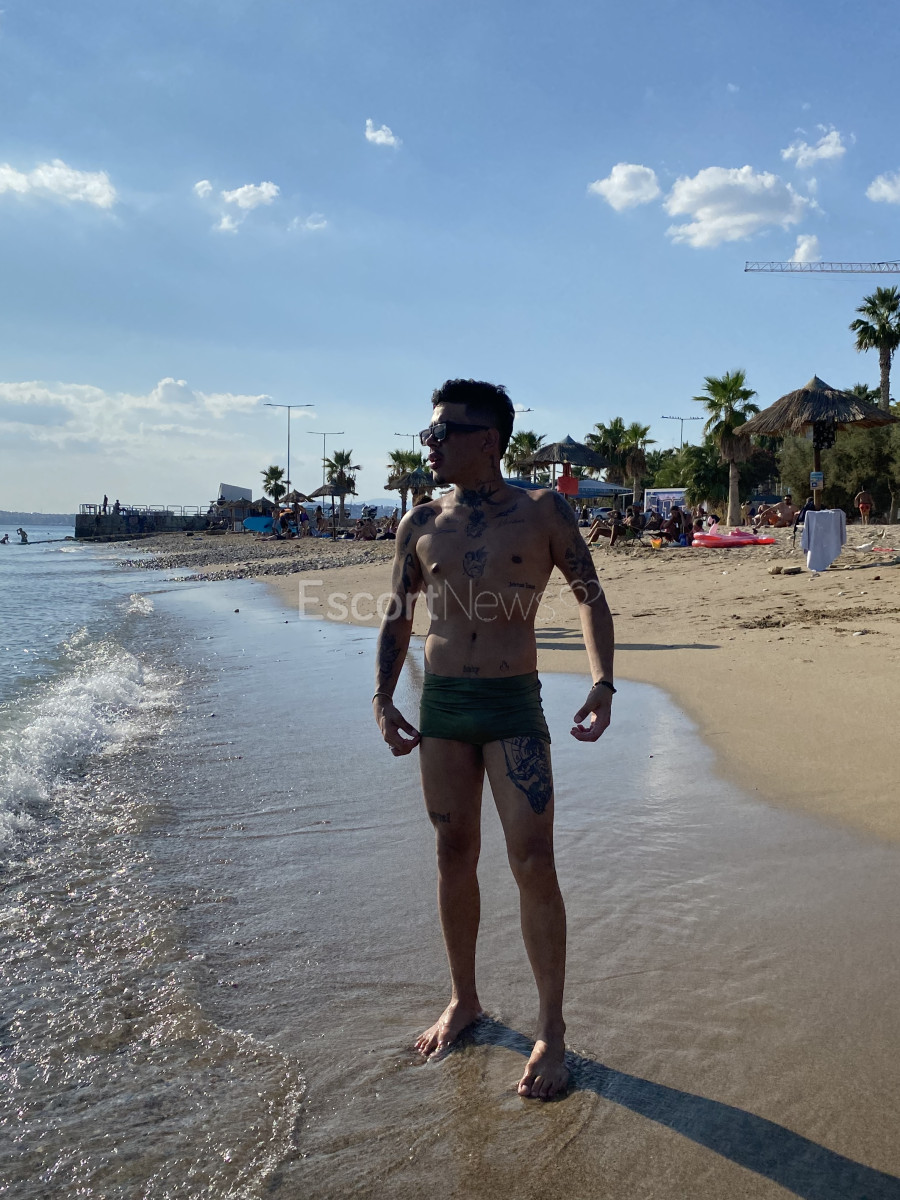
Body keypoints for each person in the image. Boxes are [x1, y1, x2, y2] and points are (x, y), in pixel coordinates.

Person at [372, 379, 615, 1101]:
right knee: (453, 853)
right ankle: (464, 999)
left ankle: (551, 1030)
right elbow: (397, 615)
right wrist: (383, 698)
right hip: (444, 705)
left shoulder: (543, 510)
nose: (430, 443)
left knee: (532, 859)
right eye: (429, 431)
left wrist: (603, 682)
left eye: (442, 431)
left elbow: (590, 596)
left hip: (512, 705)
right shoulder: (419, 521)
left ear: (488, 439)